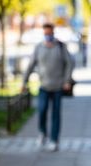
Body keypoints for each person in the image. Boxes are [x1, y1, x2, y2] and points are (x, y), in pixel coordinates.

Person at [22, 23, 73, 151]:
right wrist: (24, 82)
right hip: (43, 86)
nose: (48, 36)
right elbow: (30, 65)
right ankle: (42, 132)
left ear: (53, 33)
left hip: (58, 87)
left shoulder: (61, 47)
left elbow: (69, 63)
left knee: (56, 115)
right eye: (45, 34)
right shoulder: (39, 47)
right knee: (42, 110)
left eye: (49, 34)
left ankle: (54, 140)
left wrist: (67, 80)